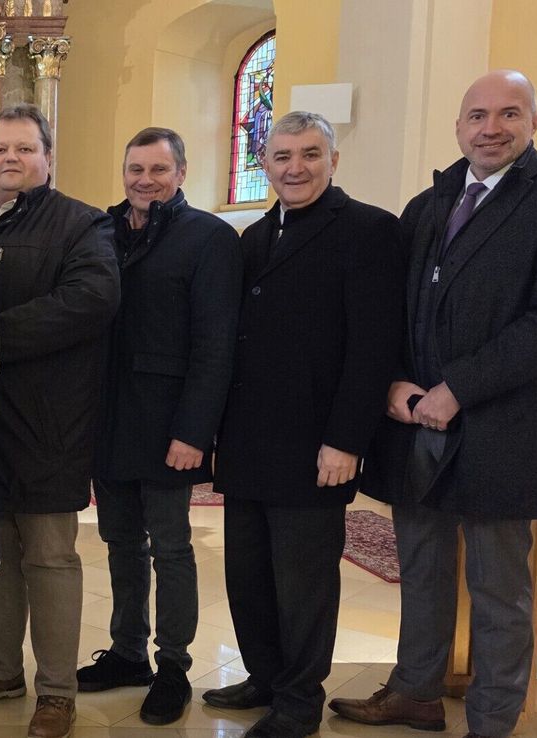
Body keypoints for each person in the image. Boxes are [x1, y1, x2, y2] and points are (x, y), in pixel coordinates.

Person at [330, 69, 537, 738]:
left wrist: (457, 388)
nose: (491, 127)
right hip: (418, 424)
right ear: (459, 126)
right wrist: (396, 381)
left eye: (509, 114)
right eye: (478, 115)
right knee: (424, 571)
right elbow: (394, 307)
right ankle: (416, 691)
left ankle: (492, 720)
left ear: (534, 124)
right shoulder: (430, 203)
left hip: (504, 425)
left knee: (498, 590)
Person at [202, 111, 406, 738]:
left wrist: (345, 440)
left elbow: (374, 348)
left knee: (304, 585)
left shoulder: (370, 231)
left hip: (316, 445)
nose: (295, 167)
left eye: (310, 154)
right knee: (249, 574)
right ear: (265, 163)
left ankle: (298, 700)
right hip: (247, 442)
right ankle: (264, 675)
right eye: (282, 155)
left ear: (333, 160)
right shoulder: (256, 236)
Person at [0, 104, 120, 738]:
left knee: (50, 556)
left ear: (47, 158)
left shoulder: (82, 223)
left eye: (24, 148)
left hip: (52, 420)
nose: (10, 159)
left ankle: (56, 690)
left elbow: (92, 300)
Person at [81, 128, 241, 725]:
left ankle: (172, 665)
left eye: (158, 169)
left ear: (181, 172)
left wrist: (195, 432)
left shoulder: (209, 238)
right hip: (110, 418)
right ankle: (127, 653)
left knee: (171, 548)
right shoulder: (103, 230)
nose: (145, 180)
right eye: (135, 169)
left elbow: (216, 344)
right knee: (120, 541)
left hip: (171, 423)